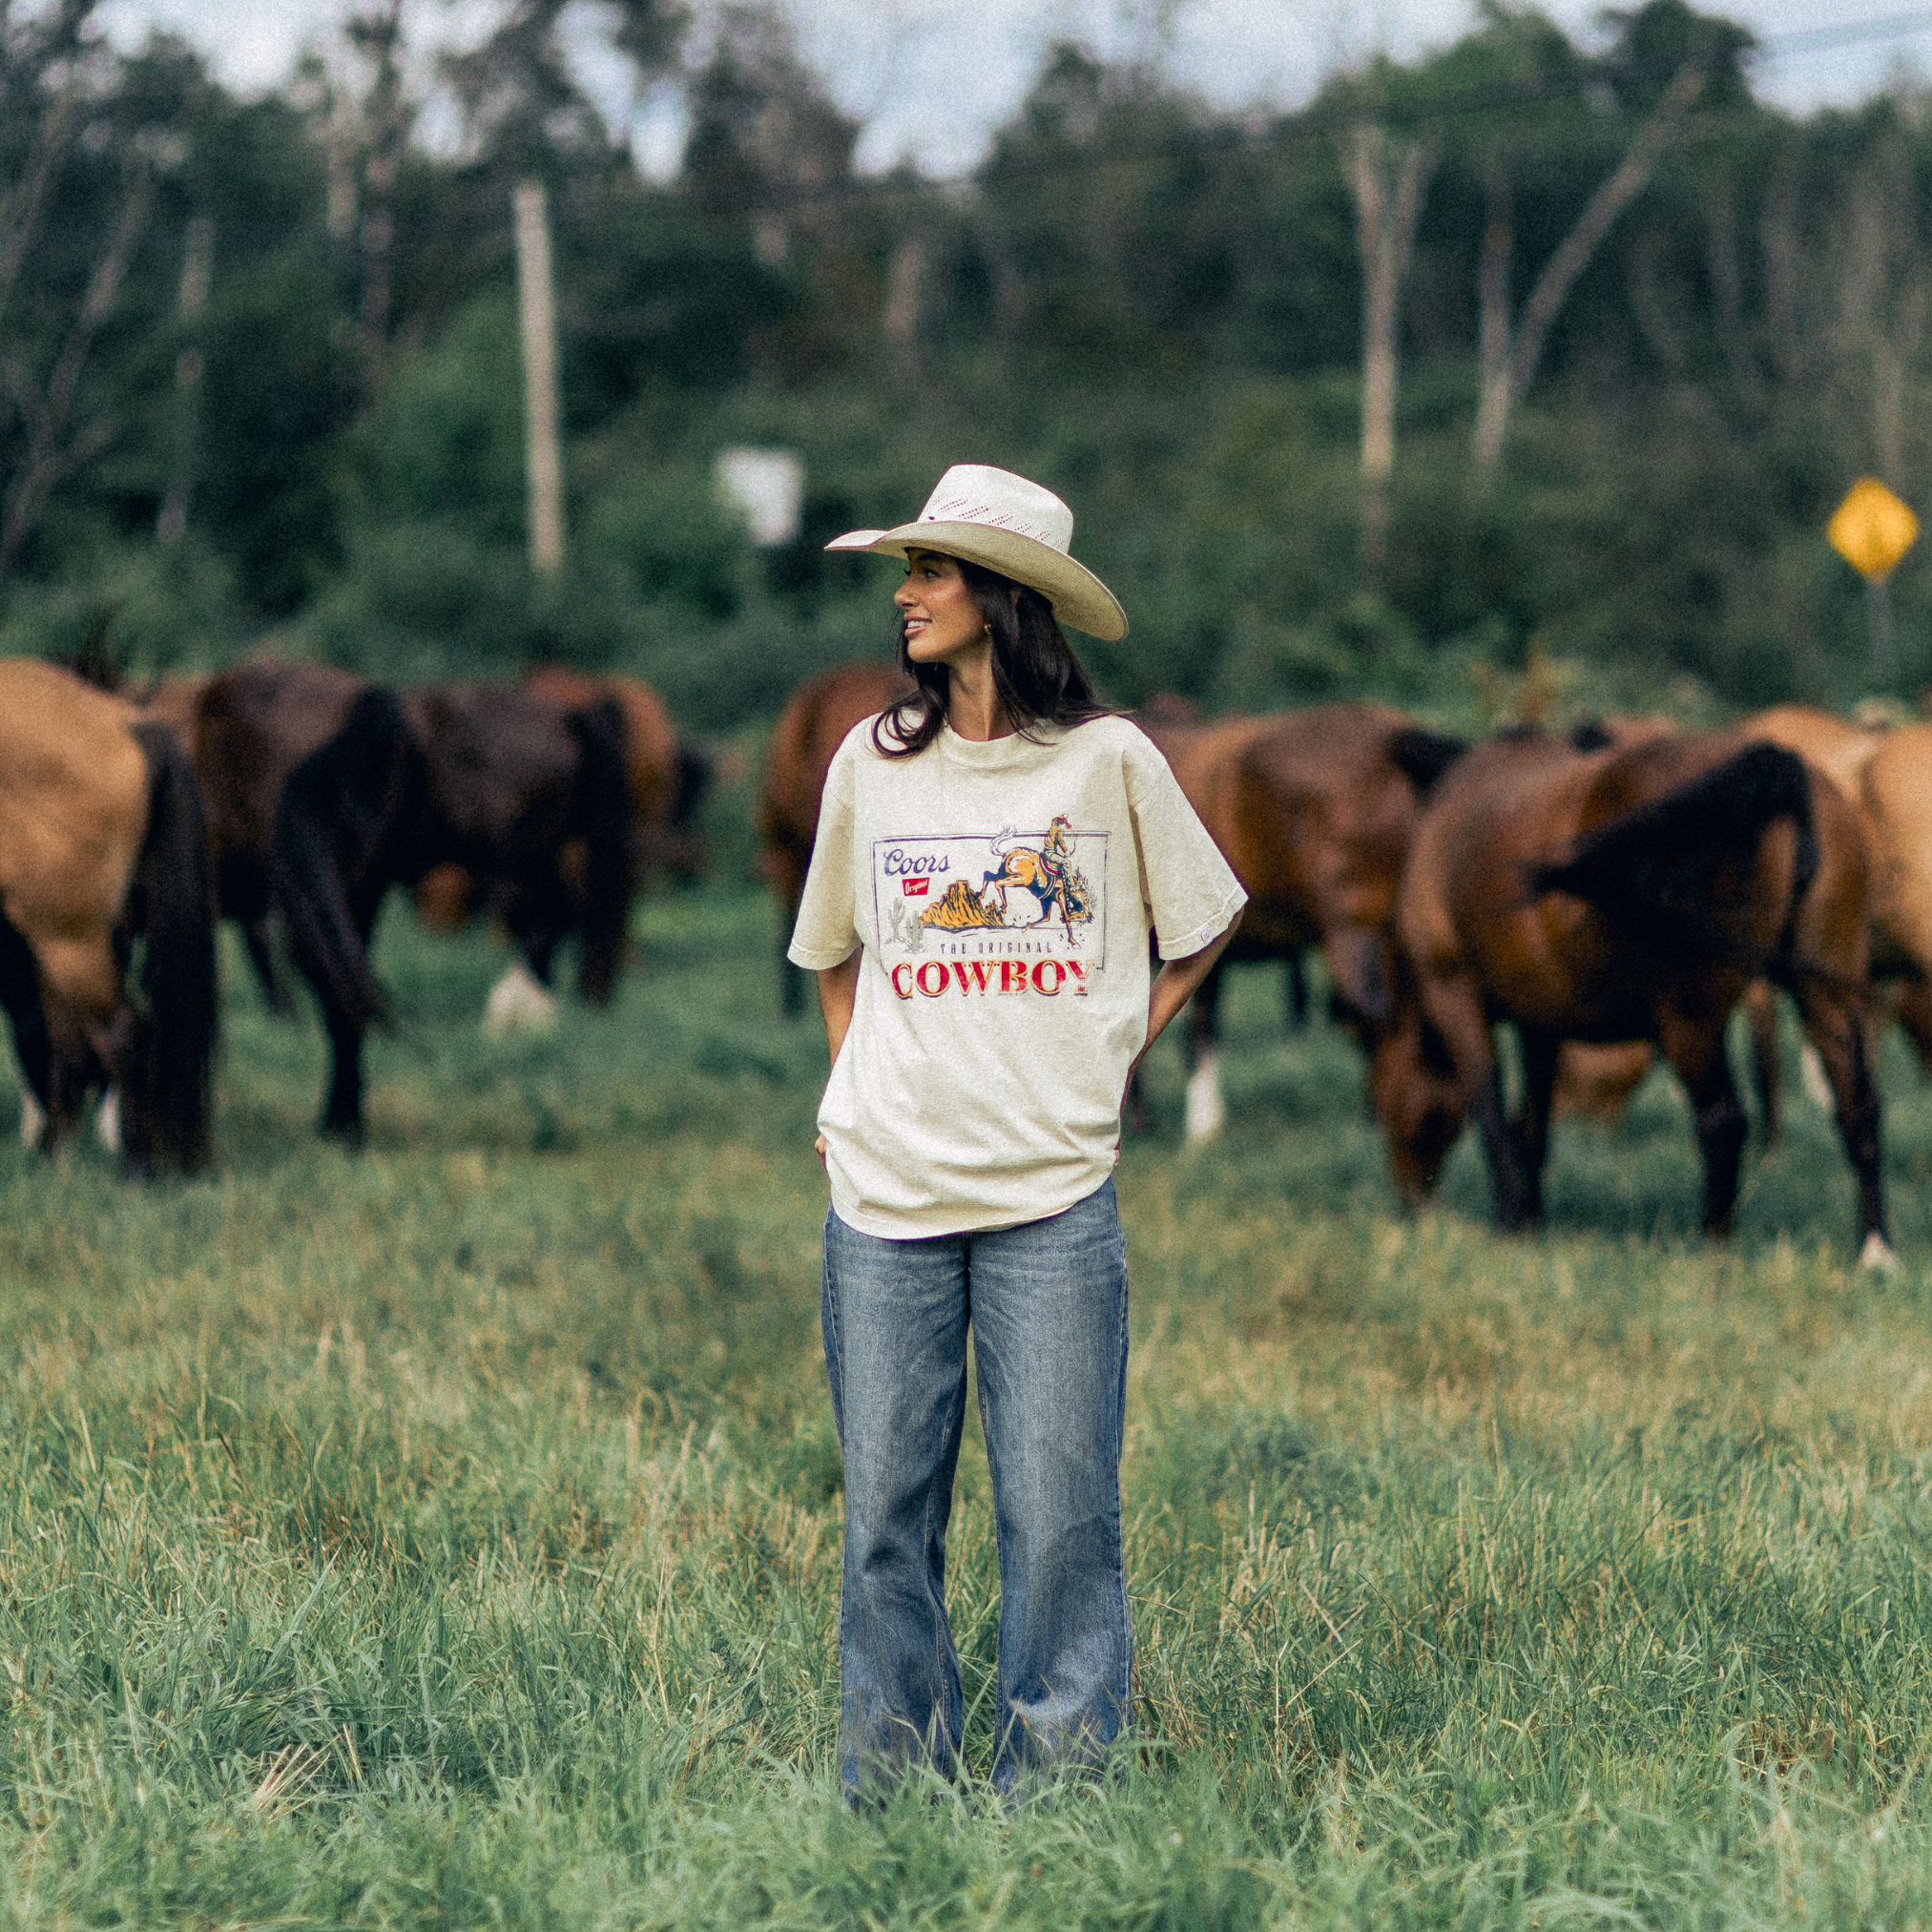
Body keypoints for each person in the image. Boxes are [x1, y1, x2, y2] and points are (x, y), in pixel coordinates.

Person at [787, 464, 1246, 1798]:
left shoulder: (1110, 762)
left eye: (929, 571)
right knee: (887, 1520)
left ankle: (1057, 1792)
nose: (905, 595)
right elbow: (832, 952)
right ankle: (896, 1786)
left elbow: (1203, 921)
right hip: (886, 1200)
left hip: (1054, 1201)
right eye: (907, 571)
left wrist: (1116, 1044)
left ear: (1000, 597)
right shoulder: (871, 764)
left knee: (1059, 1523)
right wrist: (849, 1089)